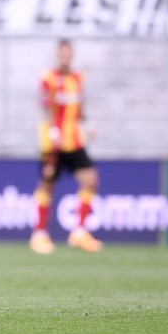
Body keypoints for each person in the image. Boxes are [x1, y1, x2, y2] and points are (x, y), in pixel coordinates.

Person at [29, 39, 102, 254]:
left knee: (90, 180)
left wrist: (88, 124)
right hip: (53, 141)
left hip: (74, 140)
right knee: (47, 185)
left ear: (72, 55)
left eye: (68, 53)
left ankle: (79, 232)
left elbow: (80, 106)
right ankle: (39, 235)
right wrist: (53, 130)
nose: (65, 57)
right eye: (62, 53)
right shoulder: (48, 78)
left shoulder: (78, 77)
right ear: (57, 55)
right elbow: (44, 105)